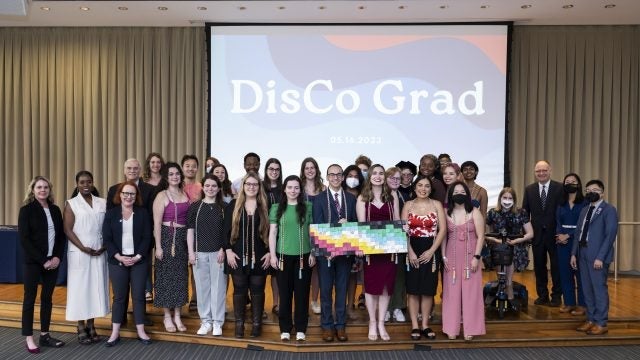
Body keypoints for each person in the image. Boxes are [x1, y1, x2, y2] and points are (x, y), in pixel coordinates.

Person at [18, 176, 66, 353]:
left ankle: (45, 335)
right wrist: (43, 260)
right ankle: (29, 338)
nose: (42, 190)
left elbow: (61, 237)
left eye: (46, 187)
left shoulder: (55, 209)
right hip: (34, 262)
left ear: (49, 190)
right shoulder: (26, 210)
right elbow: (25, 239)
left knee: (47, 298)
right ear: (33, 190)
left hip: (52, 261)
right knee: (29, 299)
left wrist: (57, 258)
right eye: (39, 187)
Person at [102, 181, 153, 347]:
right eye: (125, 193)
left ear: (136, 196)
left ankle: (141, 331)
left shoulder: (143, 213)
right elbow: (107, 239)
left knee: (138, 297)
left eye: (132, 194)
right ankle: (115, 332)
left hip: (139, 261)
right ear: (120, 195)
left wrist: (137, 256)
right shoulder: (111, 213)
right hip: (118, 261)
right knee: (119, 298)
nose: (128, 196)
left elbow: (147, 238)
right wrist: (119, 257)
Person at [63, 171, 109, 345]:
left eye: (89, 181)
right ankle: (80, 325)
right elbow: (67, 230)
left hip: (99, 250)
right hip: (79, 252)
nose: (86, 185)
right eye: (82, 182)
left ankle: (92, 324)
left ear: (93, 182)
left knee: (95, 289)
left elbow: (107, 226)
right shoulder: (71, 204)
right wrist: (83, 248)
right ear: (77, 184)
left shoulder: (102, 202)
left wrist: (104, 246)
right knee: (80, 289)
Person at [313, 164, 357, 342]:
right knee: (325, 290)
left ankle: (340, 325)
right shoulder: (319, 199)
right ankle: (327, 326)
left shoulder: (351, 199)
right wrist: (327, 249)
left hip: (345, 254)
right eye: (332, 175)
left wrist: (349, 224)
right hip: (326, 255)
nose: (336, 178)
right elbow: (317, 225)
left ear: (343, 177)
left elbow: (356, 226)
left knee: (341, 290)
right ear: (327, 177)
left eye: (339, 175)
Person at [356, 164, 400, 341]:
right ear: (369, 177)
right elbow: (360, 226)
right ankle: (372, 322)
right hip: (370, 251)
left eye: (381, 173)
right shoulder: (362, 198)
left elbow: (396, 221)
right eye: (374, 173)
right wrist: (360, 247)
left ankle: (381, 322)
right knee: (371, 287)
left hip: (389, 250)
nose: (378, 176)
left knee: (385, 288)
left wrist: (403, 233)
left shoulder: (392, 196)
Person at [224, 172, 271, 338]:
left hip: (260, 255)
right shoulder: (233, 205)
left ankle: (257, 324)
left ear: (259, 187)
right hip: (236, 255)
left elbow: (272, 232)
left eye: (255, 184)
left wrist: (269, 253)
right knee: (239, 290)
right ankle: (239, 324)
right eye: (248, 184)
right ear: (243, 186)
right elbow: (225, 231)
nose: (251, 187)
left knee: (258, 290)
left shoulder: (265, 205)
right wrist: (228, 250)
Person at [269, 175, 315, 342]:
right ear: (284, 189)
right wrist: (273, 255)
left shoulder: (308, 207)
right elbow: (273, 233)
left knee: (302, 294)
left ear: (300, 190)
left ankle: (301, 328)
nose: (293, 191)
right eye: (290, 187)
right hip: (282, 257)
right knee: (285, 294)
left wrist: (313, 253)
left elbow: (313, 233)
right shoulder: (276, 208)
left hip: (304, 256)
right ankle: (286, 329)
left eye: (296, 188)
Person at [107, 158, 157, 310]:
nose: (132, 171)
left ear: (140, 170)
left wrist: (147, 244)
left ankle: (141, 318)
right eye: (129, 168)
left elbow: (152, 217)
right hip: (119, 245)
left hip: (142, 243)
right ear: (124, 170)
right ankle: (120, 316)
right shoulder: (113, 189)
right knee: (119, 288)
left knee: (140, 286)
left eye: (135, 168)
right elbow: (109, 216)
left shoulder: (150, 189)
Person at [571, 180, 618, 336]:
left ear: (602, 193)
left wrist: (600, 257)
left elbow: (610, 235)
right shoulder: (584, 210)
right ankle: (590, 319)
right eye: (588, 189)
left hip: (597, 256)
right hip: (582, 254)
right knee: (586, 289)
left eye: (595, 189)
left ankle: (601, 322)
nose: (591, 192)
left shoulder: (609, 210)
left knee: (599, 289)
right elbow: (578, 233)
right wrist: (573, 254)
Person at [401, 175, 446, 340]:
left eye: (427, 186)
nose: (423, 189)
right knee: (413, 290)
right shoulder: (408, 205)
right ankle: (414, 325)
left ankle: (425, 325)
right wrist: (410, 251)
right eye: (420, 185)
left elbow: (442, 230)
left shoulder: (437, 205)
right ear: (414, 187)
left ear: (430, 189)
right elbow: (402, 230)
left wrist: (432, 250)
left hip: (431, 251)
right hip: (411, 249)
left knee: (428, 290)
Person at [441, 181, 485, 341]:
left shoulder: (474, 212)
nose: (459, 193)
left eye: (462, 191)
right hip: (451, 256)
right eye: (455, 191)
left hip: (470, 257)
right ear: (451, 194)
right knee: (451, 293)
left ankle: (470, 328)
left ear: (467, 194)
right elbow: (443, 235)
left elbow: (481, 236)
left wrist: (477, 257)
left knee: (471, 292)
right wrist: (443, 256)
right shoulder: (446, 212)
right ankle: (451, 327)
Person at [187, 175, 227, 336]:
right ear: (202, 187)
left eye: (214, 186)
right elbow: (190, 231)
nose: (210, 188)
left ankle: (218, 322)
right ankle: (206, 321)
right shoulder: (195, 207)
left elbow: (228, 232)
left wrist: (223, 249)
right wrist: (191, 252)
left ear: (218, 188)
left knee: (218, 289)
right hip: (199, 253)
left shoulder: (223, 207)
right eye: (208, 185)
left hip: (218, 253)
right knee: (202, 290)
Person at [153, 162, 190, 332]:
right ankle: (167, 316)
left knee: (180, 278)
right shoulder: (162, 195)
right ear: (166, 178)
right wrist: (158, 247)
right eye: (171, 174)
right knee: (166, 278)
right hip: (168, 237)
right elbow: (157, 224)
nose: (175, 176)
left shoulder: (185, 194)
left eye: (177, 173)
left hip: (183, 239)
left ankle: (178, 315)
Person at [522, 160, 564, 306]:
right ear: (535, 173)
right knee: (539, 267)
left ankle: (557, 296)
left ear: (550, 170)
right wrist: (527, 233)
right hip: (537, 235)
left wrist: (562, 231)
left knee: (556, 267)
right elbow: (525, 213)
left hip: (555, 235)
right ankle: (542, 295)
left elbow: (562, 212)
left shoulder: (559, 188)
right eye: (538, 171)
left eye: (544, 170)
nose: (541, 173)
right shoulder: (529, 189)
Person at [485, 187, 534, 311]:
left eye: (510, 198)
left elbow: (530, 233)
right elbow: (485, 233)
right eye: (504, 198)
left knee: (508, 273)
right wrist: (496, 240)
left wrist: (517, 241)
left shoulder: (521, 212)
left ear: (514, 200)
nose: (507, 200)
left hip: (515, 246)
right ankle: (501, 289)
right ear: (500, 198)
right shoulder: (492, 213)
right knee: (500, 254)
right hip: (497, 246)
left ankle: (509, 289)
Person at [556, 173, 587, 315]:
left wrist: (569, 235)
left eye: (573, 181)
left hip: (579, 242)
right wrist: (560, 236)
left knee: (580, 274)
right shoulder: (560, 202)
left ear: (579, 184)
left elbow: (585, 225)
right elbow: (557, 222)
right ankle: (569, 302)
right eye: (567, 181)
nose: (570, 183)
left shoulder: (585, 202)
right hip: (562, 242)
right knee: (565, 273)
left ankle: (582, 304)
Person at [300, 157, 325, 314]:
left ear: (316, 170)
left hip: (320, 232)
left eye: (312, 167)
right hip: (302, 231)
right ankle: (301, 301)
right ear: (303, 171)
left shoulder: (323, 188)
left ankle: (314, 301)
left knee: (317, 269)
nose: (310, 170)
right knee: (303, 267)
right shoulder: (298, 188)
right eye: (306, 168)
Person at [341, 164, 366, 314]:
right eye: (350, 176)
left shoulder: (364, 195)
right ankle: (340, 306)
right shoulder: (340, 194)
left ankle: (350, 306)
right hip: (342, 241)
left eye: (356, 176)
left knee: (352, 276)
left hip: (360, 240)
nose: (353, 179)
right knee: (341, 276)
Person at [385, 166, 407, 323]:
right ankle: (386, 308)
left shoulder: (404, 196)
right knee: (385, 275)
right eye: (392, 178)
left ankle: (398, 307)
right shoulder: (379, 195)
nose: (395, 181)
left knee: (399, 275)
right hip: (381, 241)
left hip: (399, 240)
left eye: (398, 178)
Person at [263, 158, 283, 316]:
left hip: (279, 234)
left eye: (277, 169)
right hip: (261, 233)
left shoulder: (284, 189)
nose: (274, 171)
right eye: (271, 168)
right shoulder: (260, 187)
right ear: (266, 170)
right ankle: (259, 305)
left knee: (276, 272)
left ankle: (276, 303)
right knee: (261, 271)